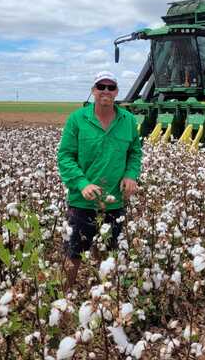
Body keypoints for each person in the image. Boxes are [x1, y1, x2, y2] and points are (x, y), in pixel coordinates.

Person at [57, 71, 142, 291]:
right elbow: (65, 156)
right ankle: (63, 297)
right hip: (81, 201)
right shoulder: (77, 119)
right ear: (93, 90)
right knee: (73, 253)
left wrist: (131, 175)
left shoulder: (128, 121)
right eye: (101, 86)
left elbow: (134, 153)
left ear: (116, 92)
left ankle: (103, 295)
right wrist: (82, 183)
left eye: (110, 87)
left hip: (115, 201)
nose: (106, 91)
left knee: (107, 253)